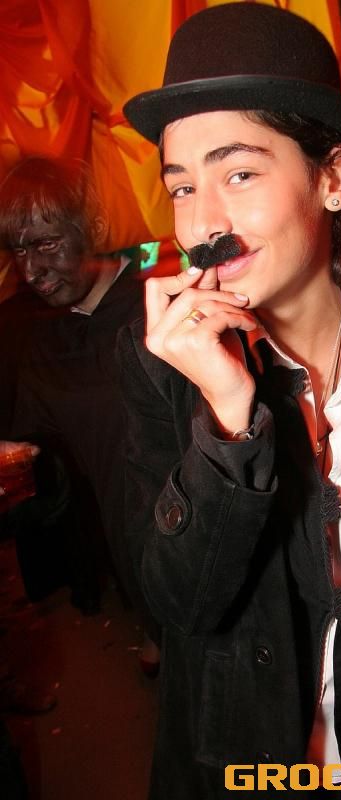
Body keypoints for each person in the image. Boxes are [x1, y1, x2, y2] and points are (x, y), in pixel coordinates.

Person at [120, 5, 341, 797]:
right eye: (181, 187)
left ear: (334, 179)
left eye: (239, 174)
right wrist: (227, 423)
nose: (202, 222)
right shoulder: (163, 368)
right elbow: (180, 605)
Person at [0, 156, 159, 669]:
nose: (31, 271)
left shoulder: (157, 307)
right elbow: (28, 443)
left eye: (46, 244)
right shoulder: (46, 335)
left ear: (92, 228)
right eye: (18, 250)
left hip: (202, 540)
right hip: (128, 547)